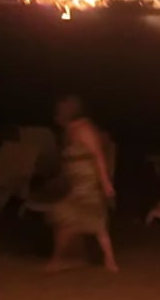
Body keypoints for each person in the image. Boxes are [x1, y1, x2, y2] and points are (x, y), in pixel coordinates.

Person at [45, 94, 118, 273]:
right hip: (76, 183)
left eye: (63, 110)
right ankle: (60, 260)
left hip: (87, 182)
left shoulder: (85, 129)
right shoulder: (70, 130)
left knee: (94, 222)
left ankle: (109, 260)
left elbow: (98, 156)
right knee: (69, 221)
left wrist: (105, 183)